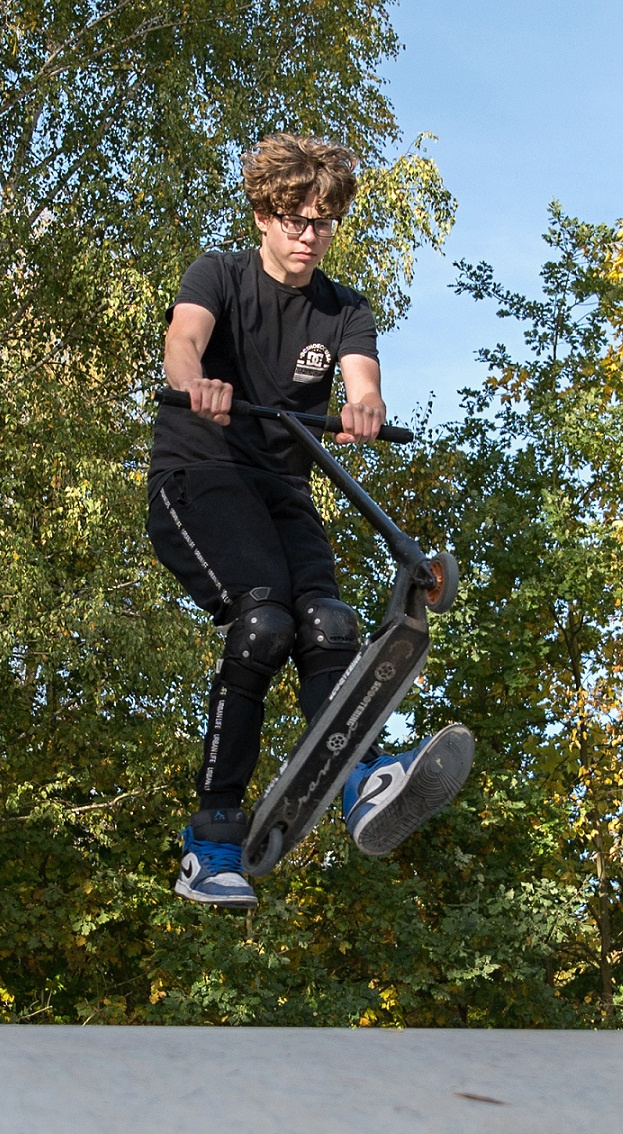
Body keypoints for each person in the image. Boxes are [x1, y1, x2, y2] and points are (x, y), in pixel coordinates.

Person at [148, 133, 471, 909]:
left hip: (281, 487)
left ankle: (362, 782)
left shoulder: (344, 308)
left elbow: (363, 380)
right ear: (263, 216)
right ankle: (210, 841)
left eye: (322, 222)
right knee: (264, 622)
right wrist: (196, 385)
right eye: (294, 219)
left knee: (328, 623)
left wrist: (365, 408)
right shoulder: (217, 275)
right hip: (200, 477)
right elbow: (182, 342)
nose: (307, 235)